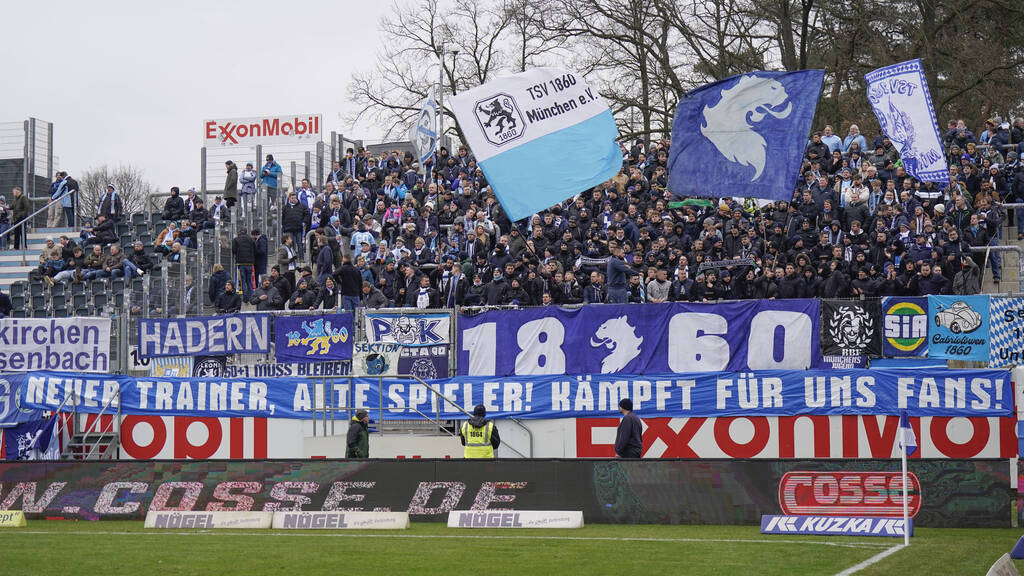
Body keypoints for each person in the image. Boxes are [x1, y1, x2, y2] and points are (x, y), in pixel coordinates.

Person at [231, 228, 256, 301]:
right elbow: (255, 249)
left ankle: (245, 297)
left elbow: (234, 250)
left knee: (243, 280)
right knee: (249, 280)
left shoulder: (236, 240)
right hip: (249, 263)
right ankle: (251, 297)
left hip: (240, 263)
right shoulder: (251, 239)